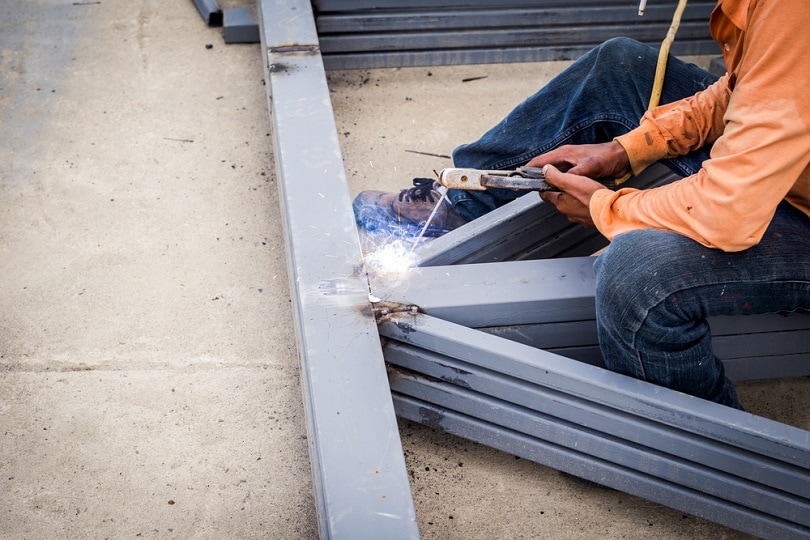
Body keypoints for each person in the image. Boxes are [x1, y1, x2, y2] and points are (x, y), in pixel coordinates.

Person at [353, 0, 810, 409]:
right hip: (787, 171)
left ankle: (717, 458)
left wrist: (606, 209)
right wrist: (630, 148)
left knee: (638, 272)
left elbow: (725, 212)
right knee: (621, 66)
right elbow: (750, 86)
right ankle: (462, 207)